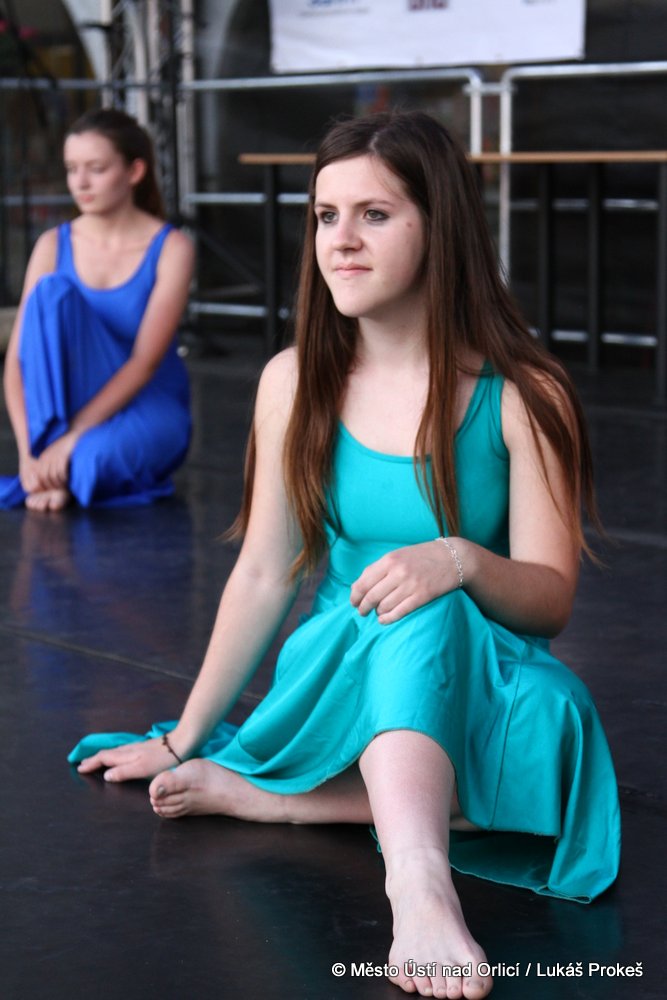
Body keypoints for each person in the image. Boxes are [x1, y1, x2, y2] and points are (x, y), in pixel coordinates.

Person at [68, 111, 620, 999]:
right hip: (346, 661)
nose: (341, 240)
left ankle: (283, 803)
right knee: (417, 617)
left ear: (440, 226)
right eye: (326, 216)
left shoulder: (527, 393)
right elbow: (262, 573)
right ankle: (419, 888)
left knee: (555, 749)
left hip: (486, 669)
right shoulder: (294, 382)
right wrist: (182, 737)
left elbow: (549, 602)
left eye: (374, 214)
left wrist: (458, 560)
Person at [0, 107, 193, 511]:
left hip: (145, 404)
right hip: (66, 410)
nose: (80, 182)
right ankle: (53, 469)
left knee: (91, 463)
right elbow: (17, 363)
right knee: (51, 292)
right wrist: (30, 453)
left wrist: (72, 440)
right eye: (72, 169)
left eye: (96, 169)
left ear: (134, 171)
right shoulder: (52, 245)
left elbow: (144, 364)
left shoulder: (172, 248)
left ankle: (63, 469)